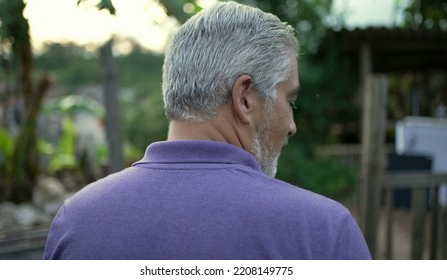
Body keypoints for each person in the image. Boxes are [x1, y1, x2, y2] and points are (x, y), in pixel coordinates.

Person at [44, 1, 371, 260]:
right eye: (290, 100)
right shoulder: (323, 232)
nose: (291, 126)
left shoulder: (76, 221)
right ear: (244, 98)